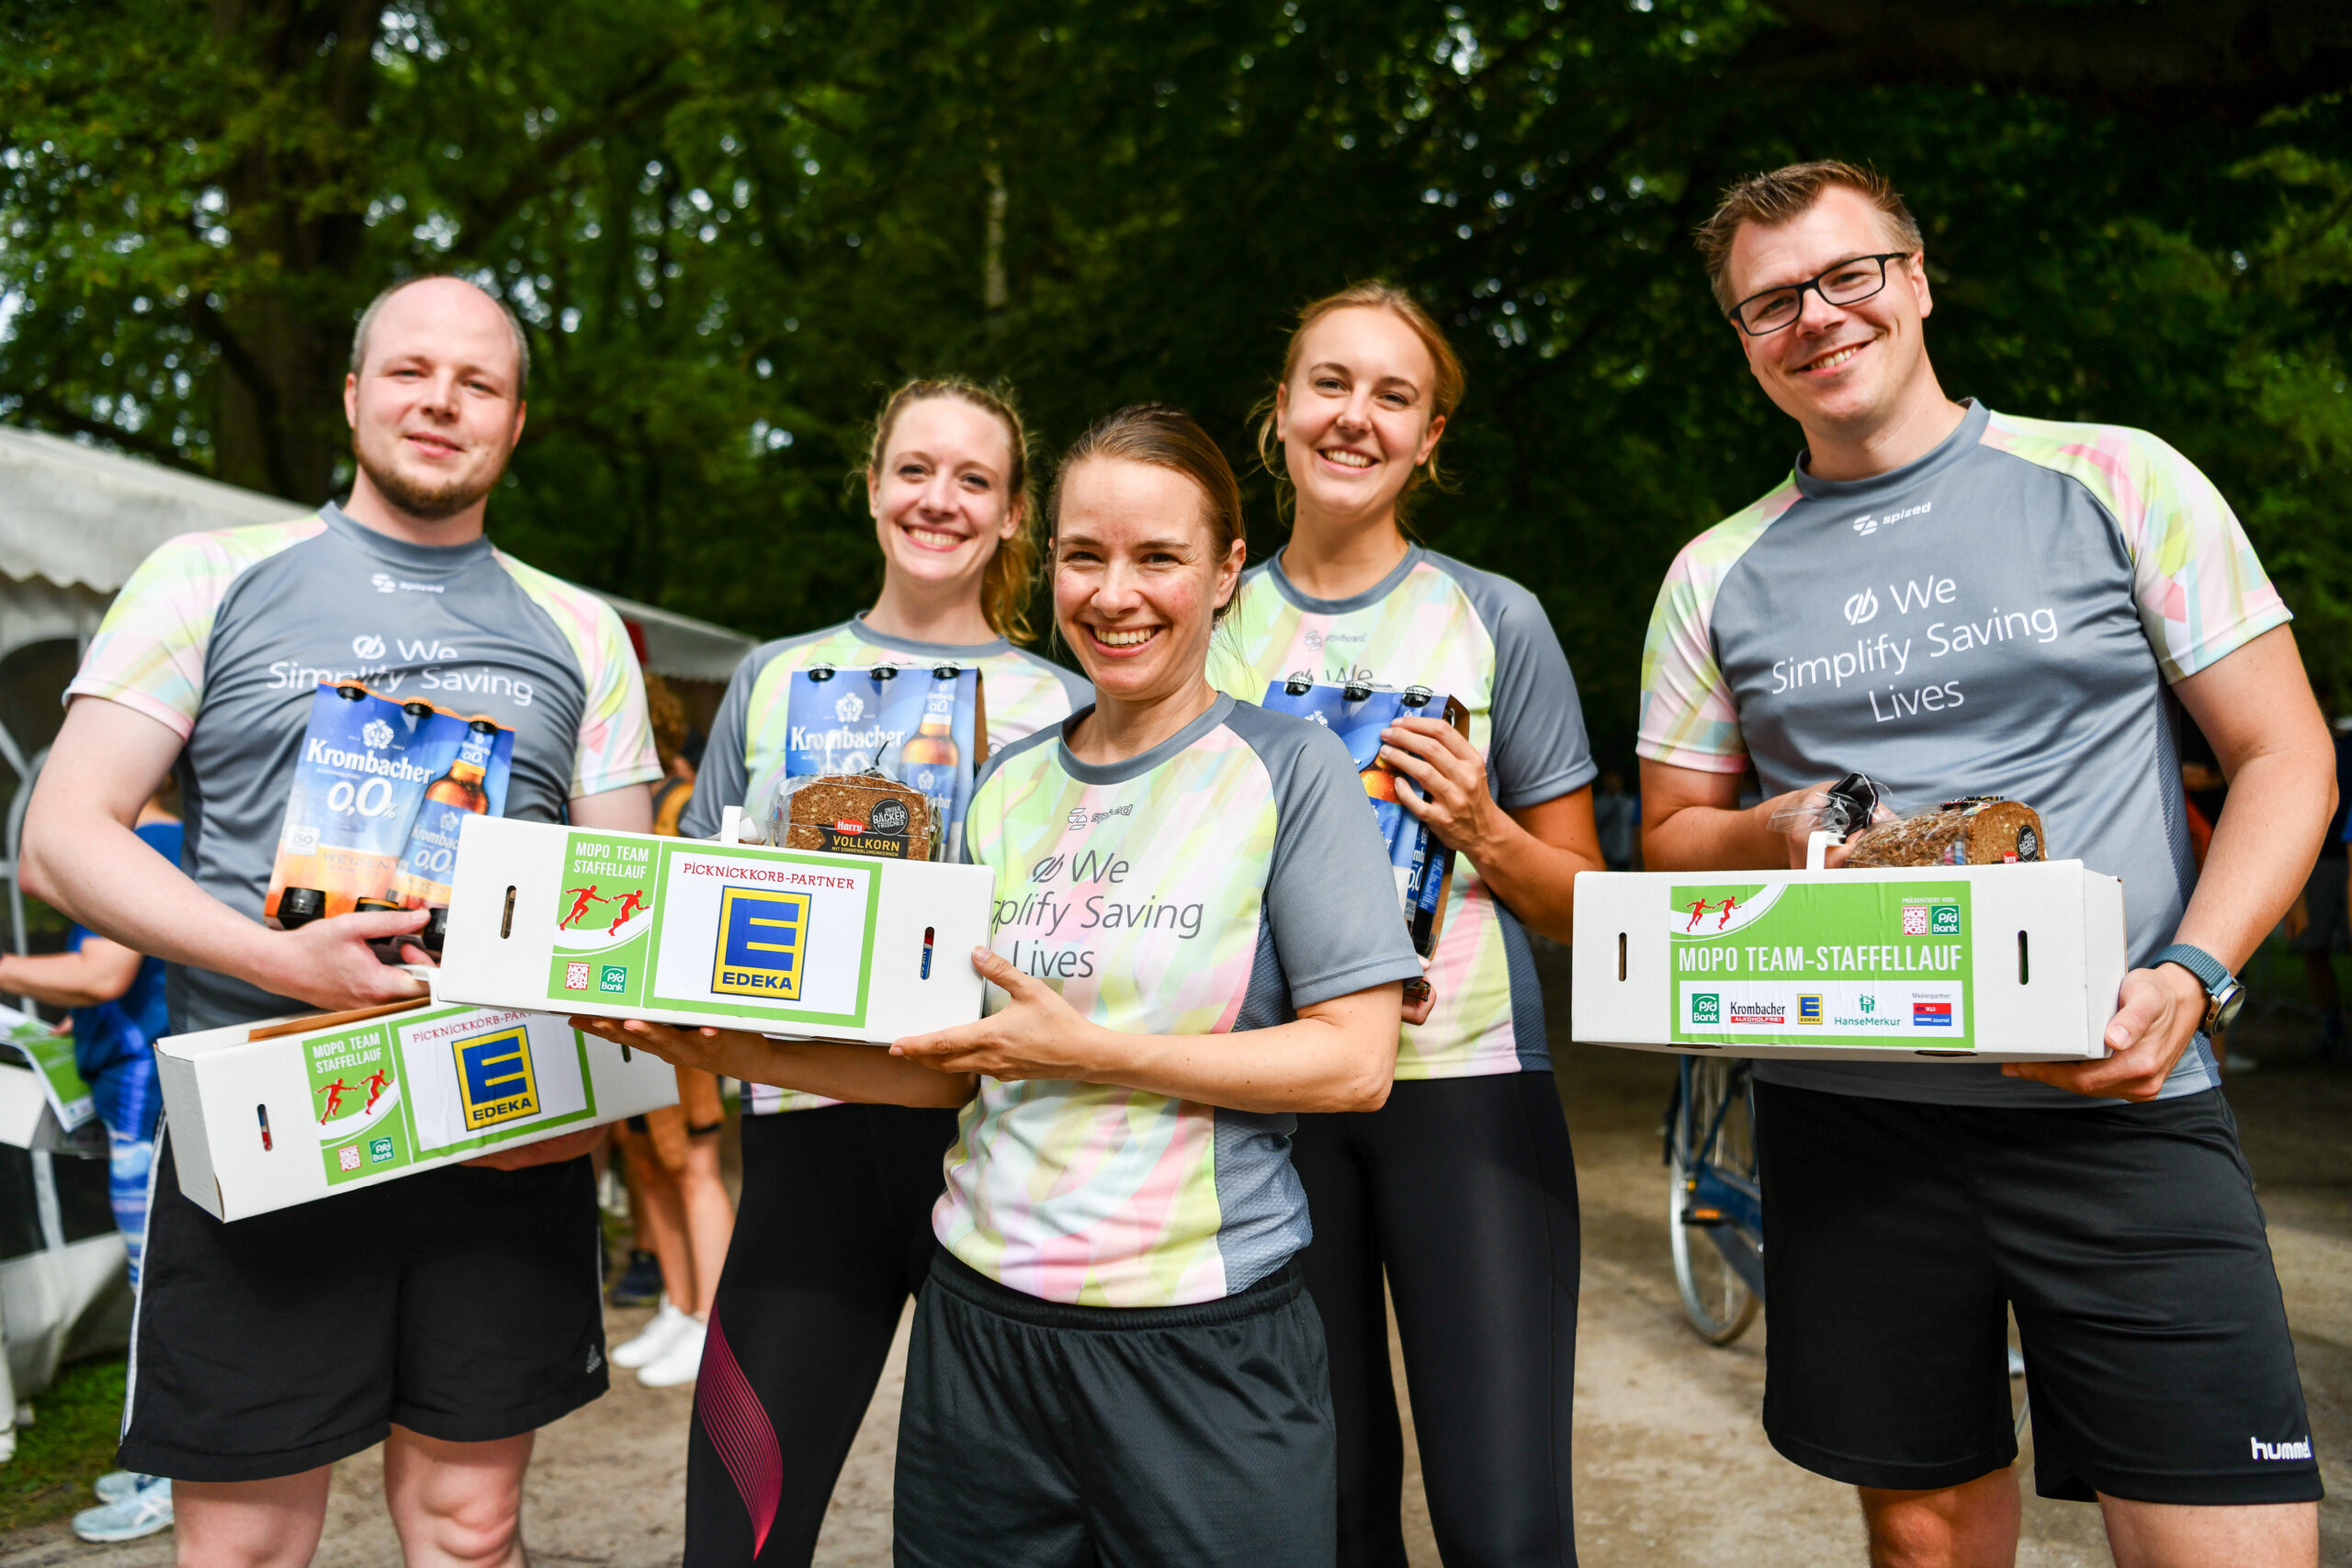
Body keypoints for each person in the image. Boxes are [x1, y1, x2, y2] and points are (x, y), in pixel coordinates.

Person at [582, 402, 1421, 1566]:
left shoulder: (1291, 768)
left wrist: (1095, 1052)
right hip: (982, 1333)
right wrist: (727, 1053)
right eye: (1086, 557)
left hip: (1196, 1335)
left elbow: (1355, 1063)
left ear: (1228, 570)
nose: (1114, 593)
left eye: (1158, 558)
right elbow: (951, 1071)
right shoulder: (1006, 784)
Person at [1639, 161, 2326, 1567]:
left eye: (1848, 275)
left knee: (2231, 1545)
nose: (1814, 317)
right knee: (1928, 1544)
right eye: (1770, 302)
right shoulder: (1713, 571)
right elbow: (1667, 845)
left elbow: (2285, 756)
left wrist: (2195, 975)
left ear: (1918, 276)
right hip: (1850, 1116)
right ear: (1744, 339)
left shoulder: (2119, 474)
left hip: (2119, 1084)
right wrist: (1768, 829)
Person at [22, 273, 661, 1567]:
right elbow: (62, 833)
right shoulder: (208, 575)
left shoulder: (581, 629)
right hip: (264, 1124)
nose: (442, 400)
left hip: (497, 1126)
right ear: (357, 393)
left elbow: (624, 908)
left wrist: (591, 1102)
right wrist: (274, 959)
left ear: (517, 422)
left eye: (478, 381)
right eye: (412, 370)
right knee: (248, 1544)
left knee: (472, 1529)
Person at [1206, 282, 1600, 1567]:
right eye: (1330, 382)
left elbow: (1585, 905)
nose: (1356, 416)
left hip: (1466, 1091)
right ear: (1280, 411)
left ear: (1431, 436)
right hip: (1273, 1100)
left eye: (1394, 394)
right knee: (1322, 1512)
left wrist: (1485, 828)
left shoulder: (1498, 620)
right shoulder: (1207, 626)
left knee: (1503, 1520)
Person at [669, 377, 1088, 1564]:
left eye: (973, 478)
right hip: (810, 1149)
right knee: (736, 1538)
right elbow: (700, 904)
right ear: (871, 486)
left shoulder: (1063, 701)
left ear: (1014, 515)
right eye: (914, 469)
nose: (938, 498)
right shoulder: (774, 676)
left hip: (997, 1153)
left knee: (997, 1545)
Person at [0, 792, 180, 1540]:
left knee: (161, 1297)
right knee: (158, 1290)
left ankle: (178, 1479)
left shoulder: (141, 845)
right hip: (134, 1095)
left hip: (146, 1102)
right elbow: (132, 979)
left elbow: (104, 971)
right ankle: (161, 1464)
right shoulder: (154, 842)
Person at [607, 669, 737, 1389]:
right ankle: (678, 1301)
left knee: (694, 1164)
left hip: (679, 1020)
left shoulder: (683, 799)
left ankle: (710, 1322)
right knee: (648, 1163)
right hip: (627, 1017)